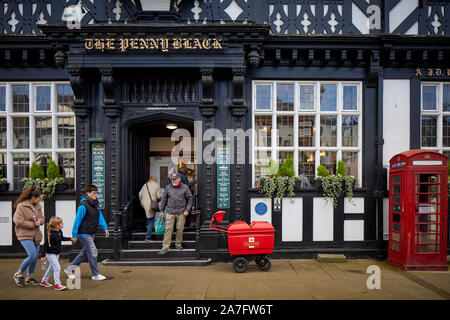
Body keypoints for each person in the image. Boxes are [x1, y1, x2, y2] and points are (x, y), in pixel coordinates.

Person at [64, 184, 109, 281]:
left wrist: (105, 228)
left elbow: (100, 216)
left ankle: (69, 269)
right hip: (83, 233)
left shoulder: (95, 204)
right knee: (93, 252)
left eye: (96, 193)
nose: (95, 195)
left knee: (84, 253)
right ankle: (95, 274)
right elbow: (77, 221)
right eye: (93, 193)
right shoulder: (83, 206)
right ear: (88, 193)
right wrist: (74, 235)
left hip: (91, 232)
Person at [12, 188, 44, 287]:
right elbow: (18, 221)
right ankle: (18, 274)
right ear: (34, 198)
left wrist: (40, 221)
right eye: (40, 198)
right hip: (24, 234)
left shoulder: (38, 206)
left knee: (34, 258)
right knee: (32, 255)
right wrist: (33, 224)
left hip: (36, 235)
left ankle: (29, 278)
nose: (40, 201)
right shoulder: (21, 206)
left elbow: (42, 217)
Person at [159, 173, 193, 255]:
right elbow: (164, 200)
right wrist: (161, 211)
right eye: (172, 179)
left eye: (174, 179)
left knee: (179, 229)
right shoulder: (167, 188)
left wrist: (187, 210)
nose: (173, 181)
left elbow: (190, 199)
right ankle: (165, 247)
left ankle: (178, 244)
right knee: (168, 229)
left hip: (181, 212)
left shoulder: (185, 187)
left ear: (179, 179)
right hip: (170, 212)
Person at [40, 216, 72, 291]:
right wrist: (43, 256)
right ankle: (57, 284)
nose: (63, 224)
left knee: (51, 268)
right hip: (50, 254)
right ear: (57, 225)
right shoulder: (51, 234)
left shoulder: (59, 231)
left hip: (56, 254)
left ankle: (44, 281)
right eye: (61, 223)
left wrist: (70, 239)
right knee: (57, 268)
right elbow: (45, 245)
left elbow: (62, 238)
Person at [139, 176, 161, 242]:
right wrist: (157, 201)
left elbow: (140, 195)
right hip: (151, 205)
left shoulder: (145, 185)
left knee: (148, 218)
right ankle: (148, 237)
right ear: (156, 180)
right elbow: (159, 196)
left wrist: (143, 201)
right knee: (151, 220)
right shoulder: (157, 186)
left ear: (150, 179)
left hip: (144, 204)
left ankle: (147, 227)